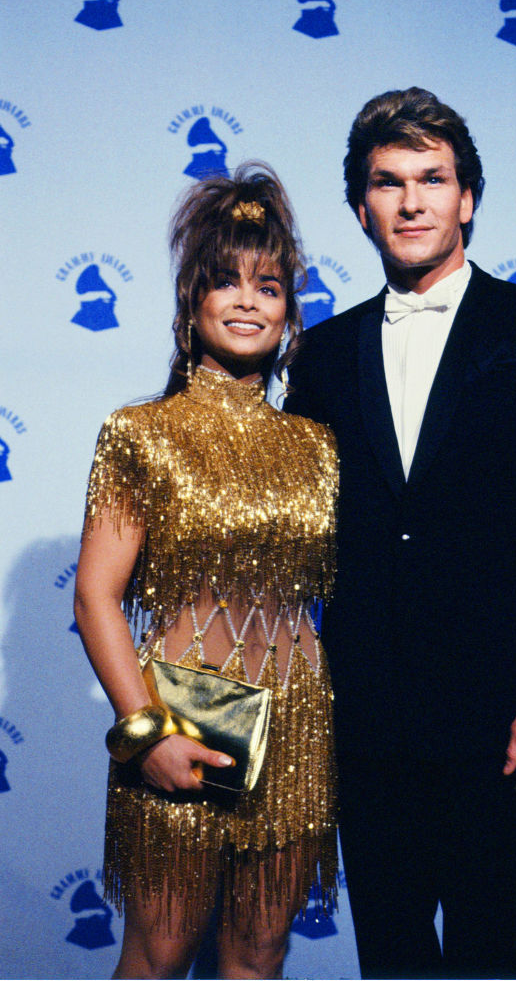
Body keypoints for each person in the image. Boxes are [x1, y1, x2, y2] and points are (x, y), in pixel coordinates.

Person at [284, 87, 516, 980]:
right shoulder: (320, 357)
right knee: (391, 961)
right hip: (363, 722)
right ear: (361, 207)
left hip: (501, 720)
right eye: (388, 183)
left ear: (467, 196)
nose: (412, 201)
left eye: (432, 179)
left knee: (489, 958)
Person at [74, 163, 339, 980]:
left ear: (290, 309)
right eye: (225, 282)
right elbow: (95, 596)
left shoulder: (319, 446)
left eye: (268, 283)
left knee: (260, 957)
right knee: (158, 956)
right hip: (182, 718)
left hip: (300, 731)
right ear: (192, 304)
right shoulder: (140, 434)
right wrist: (144, 730)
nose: (248, 300)